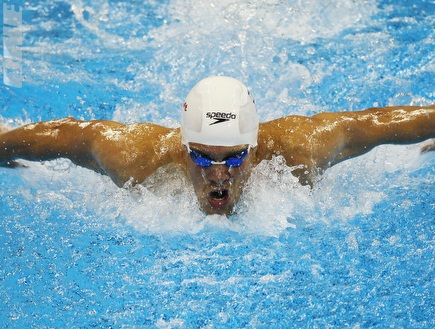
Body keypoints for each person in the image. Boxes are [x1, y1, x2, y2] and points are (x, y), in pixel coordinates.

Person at [1, 76, 434, 215]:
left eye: (235, 157)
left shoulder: (301, 149)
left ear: (256, 146)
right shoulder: (136, 156)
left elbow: (375, 124)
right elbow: (72, 135)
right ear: (182, 146)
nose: (218, 175)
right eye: (201, 156)